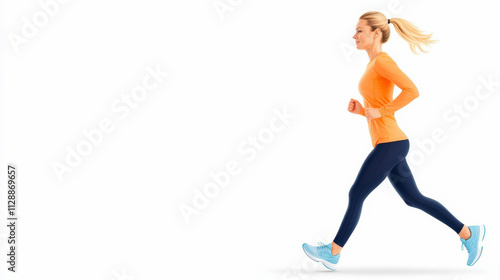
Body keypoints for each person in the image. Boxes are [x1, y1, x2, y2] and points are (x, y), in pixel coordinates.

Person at [302, 11, 485, 271]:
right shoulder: (371, 64)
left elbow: (412, 90)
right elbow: (378, 106)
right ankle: (468, 233)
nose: (354, 36)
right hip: (390, 143)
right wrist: (361, 111)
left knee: (356, 193)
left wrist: (384, 110)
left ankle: (333, 251)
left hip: (391, 144)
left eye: (359, 31)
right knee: (414, 199)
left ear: (376, 33)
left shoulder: (382, 62)